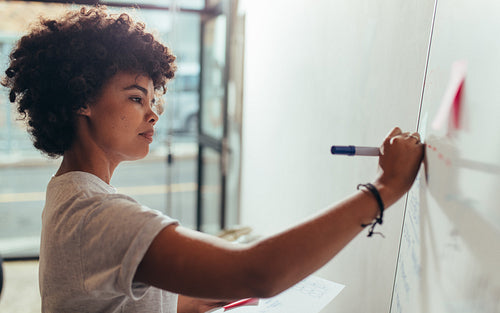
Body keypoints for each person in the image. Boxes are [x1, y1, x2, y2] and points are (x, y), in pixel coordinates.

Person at [1, 6, 424, 313]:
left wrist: (179, 303)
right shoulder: (95, 213)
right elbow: (259, 273)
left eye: (154, 98)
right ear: (82, 100)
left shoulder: (70, 194)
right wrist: (385, 189)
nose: (154, 112)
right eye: (135, 97)